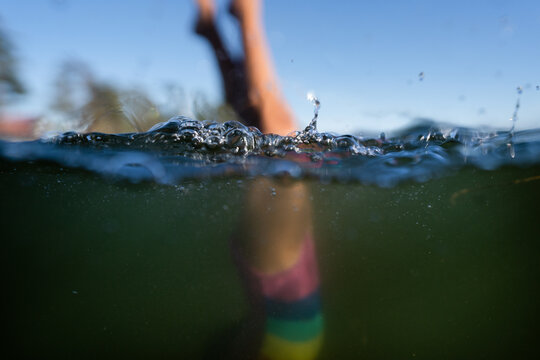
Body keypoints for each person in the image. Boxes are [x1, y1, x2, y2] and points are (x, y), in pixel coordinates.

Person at [194, 1, 323, 359]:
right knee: (266, 129)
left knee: (280, 138)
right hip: (286, 321)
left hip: (287, 327)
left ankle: (246, 15)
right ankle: (217, 33)